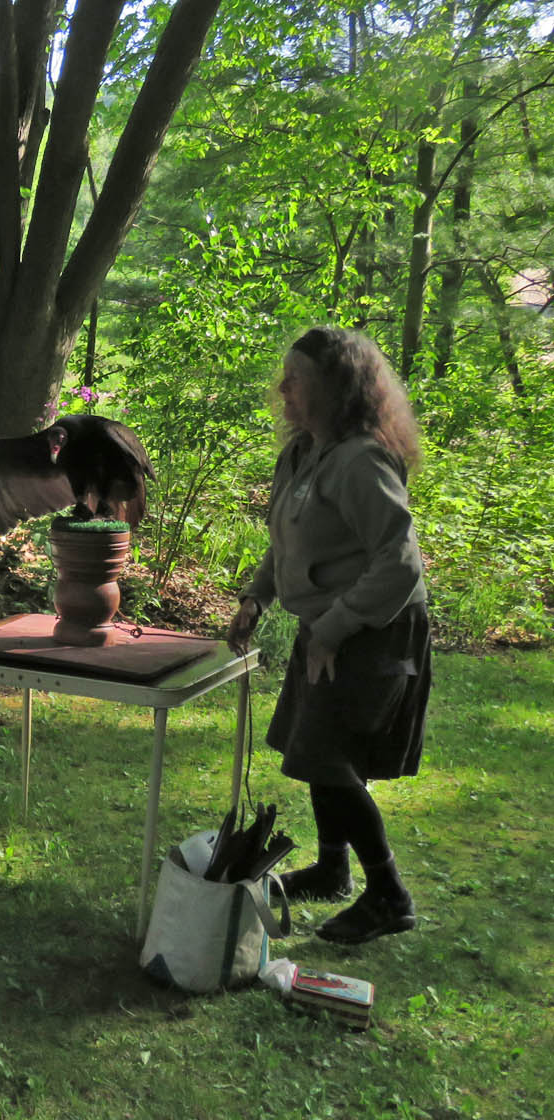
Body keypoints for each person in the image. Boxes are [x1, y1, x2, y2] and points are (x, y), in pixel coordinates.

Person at [228, 326, 431, 945]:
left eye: (298, 380)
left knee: (326, 756)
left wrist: (337, 627)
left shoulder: (360, 460)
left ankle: (389, 895)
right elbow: (286, 540)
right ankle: (333, 869)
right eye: (284, 377)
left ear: (337, 390)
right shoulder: (303, 453)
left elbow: (399, 563)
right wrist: (255, 597)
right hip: (328, 627)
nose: (282, 390)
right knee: (319, 751)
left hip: (376, 629)